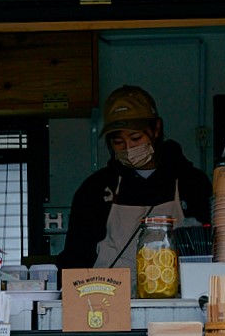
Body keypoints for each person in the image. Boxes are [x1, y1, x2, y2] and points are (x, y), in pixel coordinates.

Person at [58, 85, 213, 271]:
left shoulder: (191, 182)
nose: (129, 148)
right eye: (118, 142)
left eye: (136, 138)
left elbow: (213, 250)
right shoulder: (95, 189)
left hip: (178, 298)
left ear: (156, 128)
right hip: (108, 296)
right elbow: (76, 257)